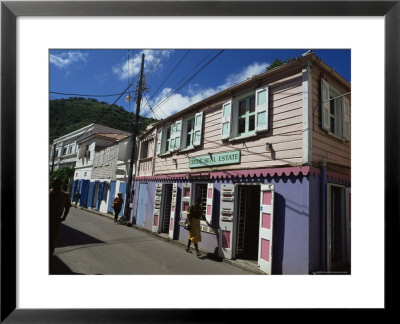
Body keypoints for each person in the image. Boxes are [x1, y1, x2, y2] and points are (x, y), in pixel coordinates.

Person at [49, 177, 71, 257]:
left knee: (52, 239)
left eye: (58, 184)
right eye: (55, 184)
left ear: (61, 185)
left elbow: (67, 207)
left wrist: (64, 217)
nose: (56, 186)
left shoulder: (65, 196)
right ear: (52, 184)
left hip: (55, 221)